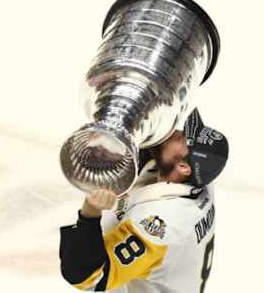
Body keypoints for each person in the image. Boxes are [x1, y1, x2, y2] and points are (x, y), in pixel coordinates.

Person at [59, 108, 229, 293]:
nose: (174, 132)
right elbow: (151, 148)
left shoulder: (162, 225)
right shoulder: (198, 178)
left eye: (180, 139)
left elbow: (89, 278)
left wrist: (90, 213)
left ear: (183, 166)